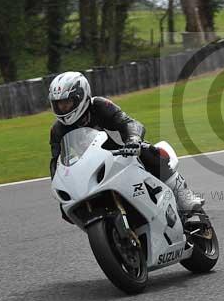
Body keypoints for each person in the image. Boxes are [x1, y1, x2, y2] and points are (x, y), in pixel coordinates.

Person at [47, 71, 204, 221]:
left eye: (66, 103)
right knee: (66, 209)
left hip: (125, 154)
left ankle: (184, 196)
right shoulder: (57, 130)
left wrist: (133, 139)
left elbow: (130, 123)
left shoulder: (100, 106)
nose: (62, 108)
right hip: (93, 169)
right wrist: (59, 183)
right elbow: (57, 162)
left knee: (148, 151)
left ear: (80, 97)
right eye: (58, 104)